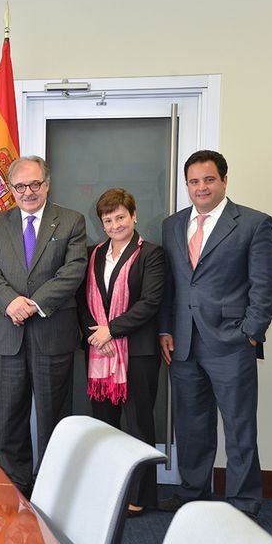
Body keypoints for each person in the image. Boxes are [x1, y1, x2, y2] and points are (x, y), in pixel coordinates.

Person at [158, 150, 272, 518]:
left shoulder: (254, 223)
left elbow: (265, 284)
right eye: (194, 181)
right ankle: (193, 492)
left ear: (224, 180)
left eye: (209, 180)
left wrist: (252, 333)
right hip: (183, 342)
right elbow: (170, 285)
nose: (201, 187)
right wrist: (165, 328)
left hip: (232, 343)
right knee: (192, 425)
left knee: (240, 428)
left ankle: (243, 503)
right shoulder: (172, 224)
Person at [0, 156, 87, 496]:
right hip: (8, 335)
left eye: (35, 184)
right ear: (11, 189)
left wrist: (34, 304)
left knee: (54, 416)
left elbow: (73, 270)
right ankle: (16, 486)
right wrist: (11, 301)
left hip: (51, 333)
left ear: (47, 184)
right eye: (20, 186)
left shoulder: (70, 221)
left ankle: (53, 488)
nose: (28, 192)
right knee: (10, 417)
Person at [77, 188, 165, 516]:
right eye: (108, 219)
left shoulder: (151, 255)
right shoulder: (92, 254)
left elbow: (150, 303)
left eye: (120, 217)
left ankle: (142, 496)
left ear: (134, 215)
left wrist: (111, 330)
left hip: (138, 354)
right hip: (99, 353)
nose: (115, 224)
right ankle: (109, 491)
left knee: (139, 425)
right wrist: (97, 335)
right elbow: (82, 301)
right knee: (105, 427)